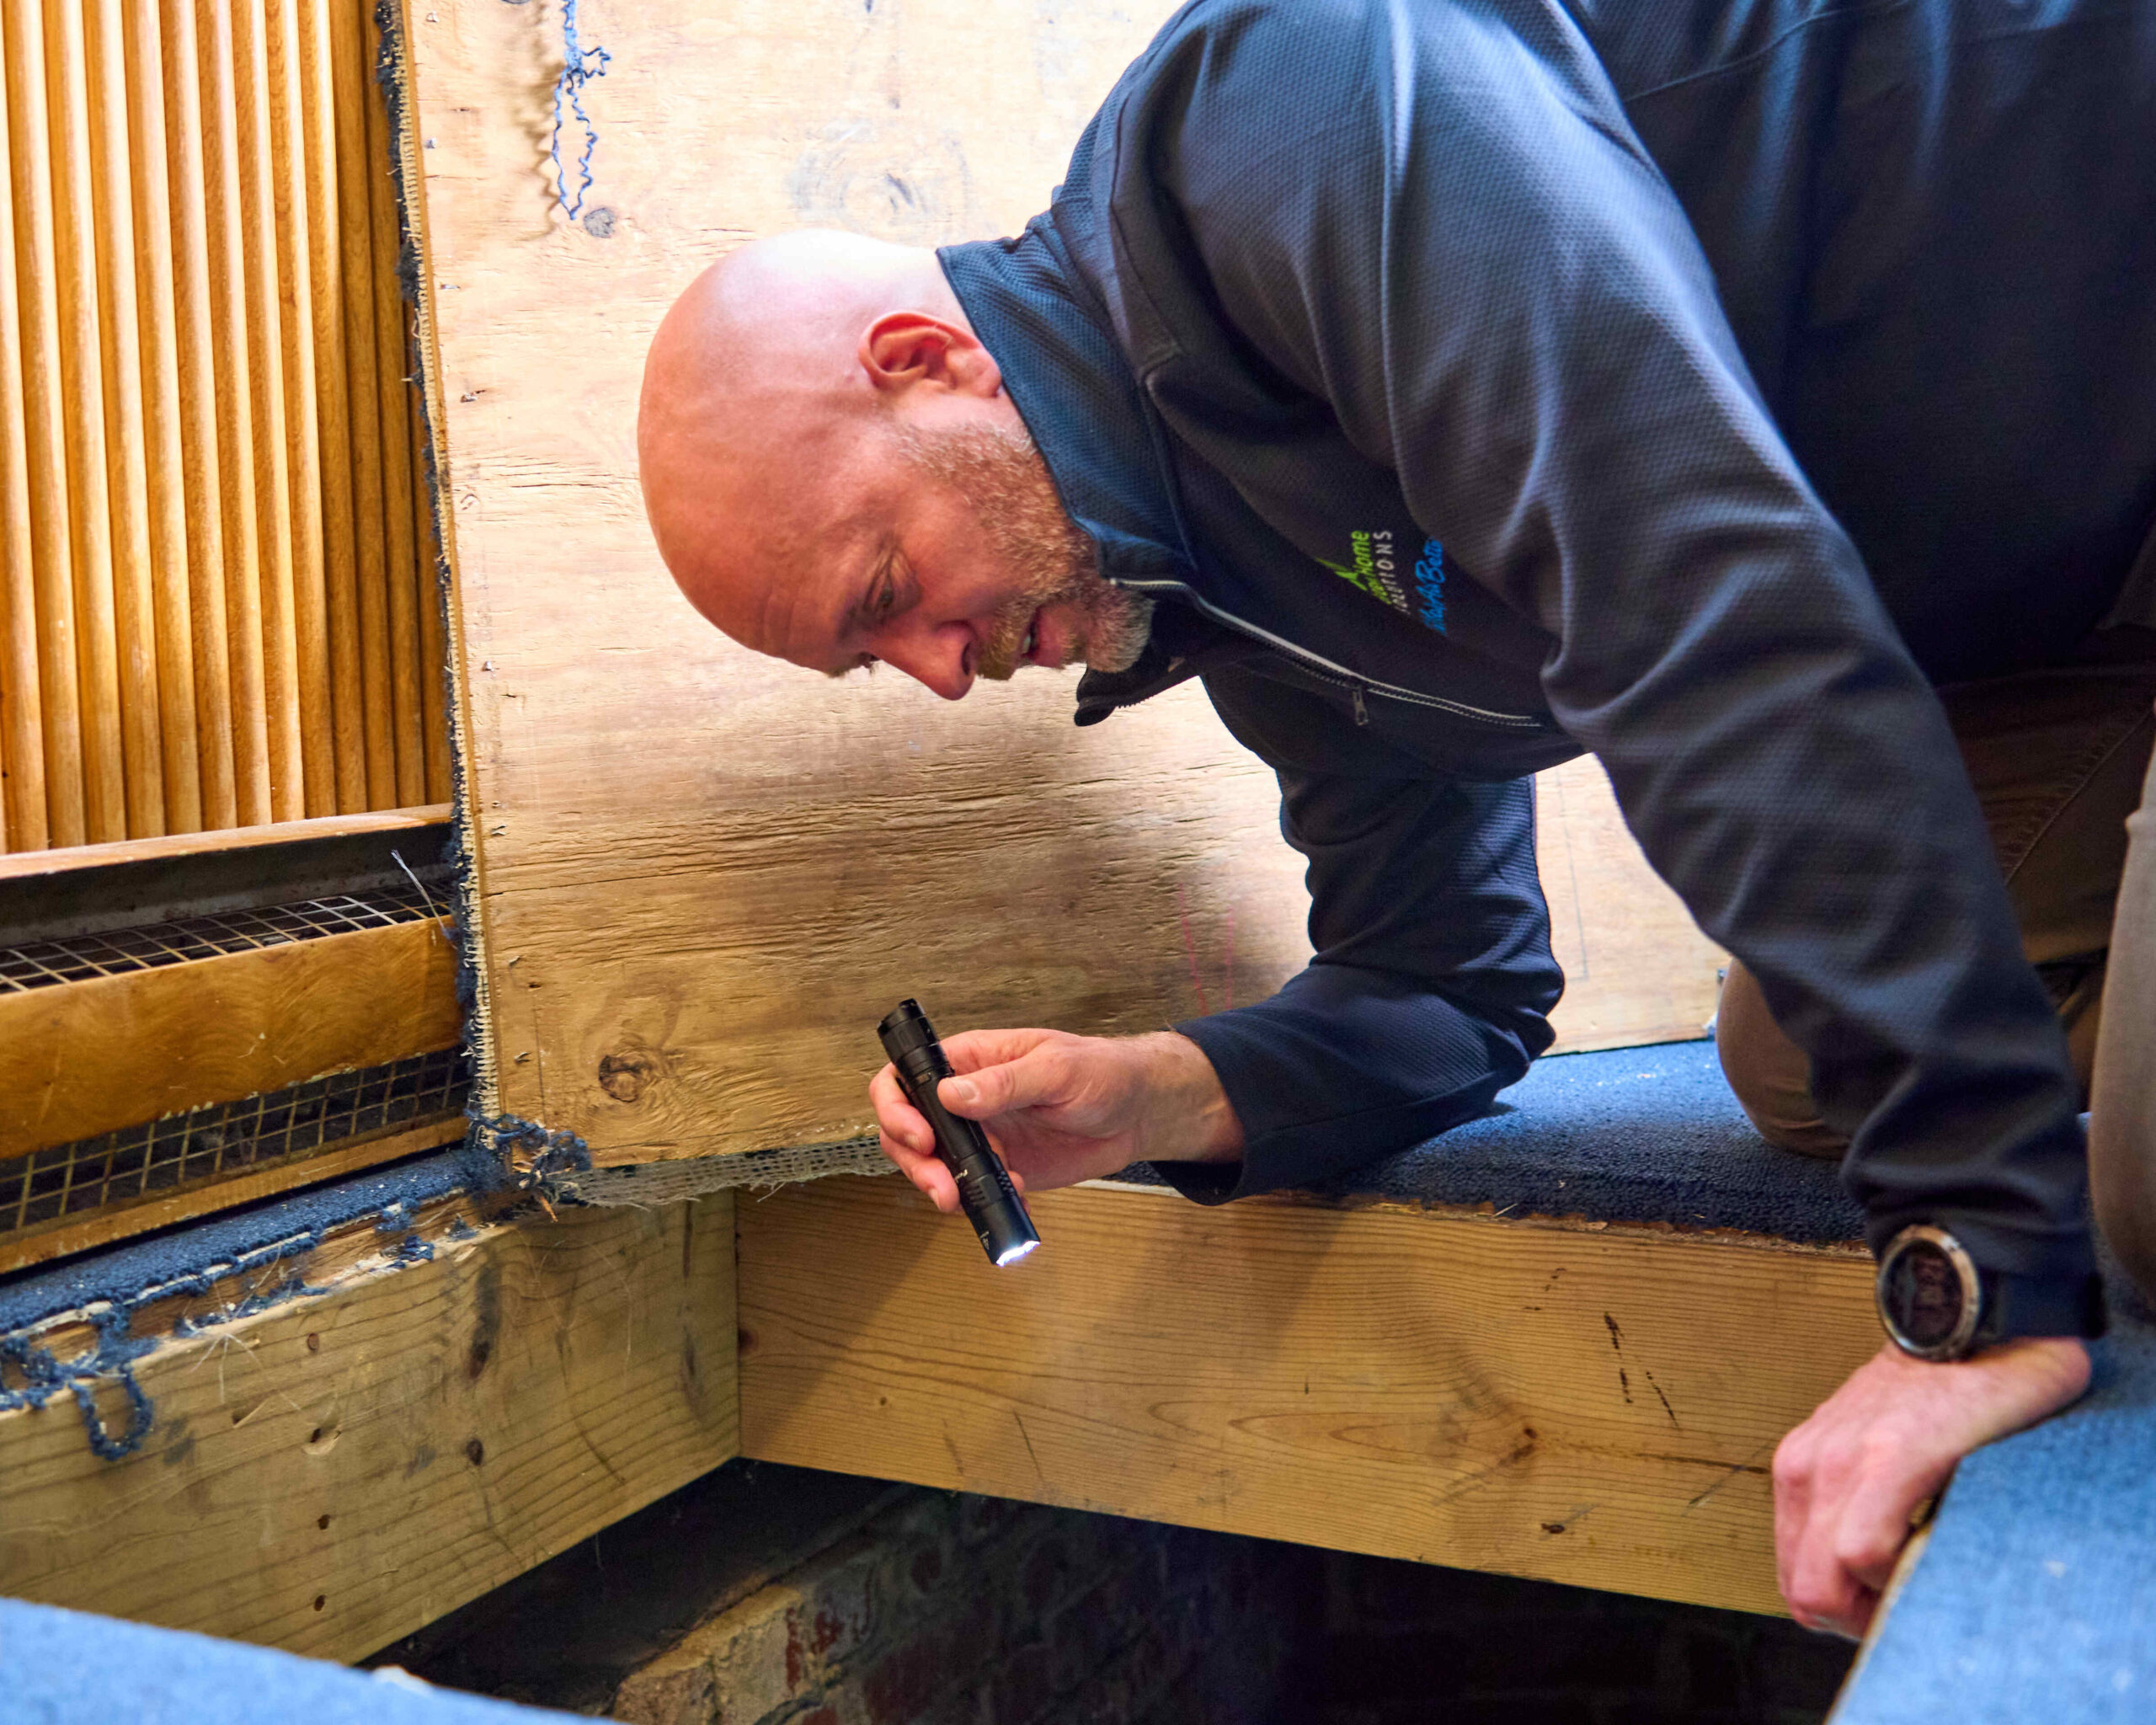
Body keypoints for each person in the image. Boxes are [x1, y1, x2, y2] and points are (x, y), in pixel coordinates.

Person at [637, 0, 2156, 1638]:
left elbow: (1683, 579)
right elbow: (1449, 990)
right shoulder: (1231, 607)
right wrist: (1154, 1097)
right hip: (2068, 604)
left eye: (888, 589)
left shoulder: (1282, 122)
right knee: (1794, 1056)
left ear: (923, 363)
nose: (938, 674)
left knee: (2119, 1184)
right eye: (870, 662)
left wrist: (1974, 1274)